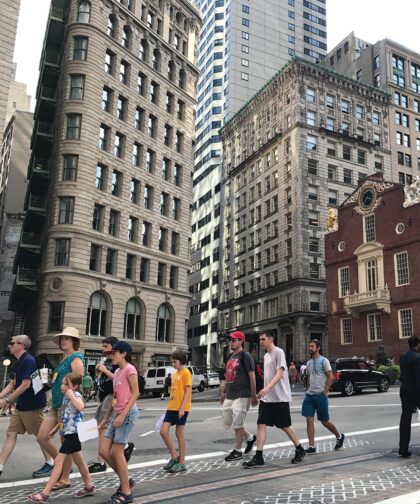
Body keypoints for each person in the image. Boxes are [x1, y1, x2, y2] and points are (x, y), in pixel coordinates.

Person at [28, 373, 95, 502]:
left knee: (59, 461)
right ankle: (89, 485)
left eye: (66, 384)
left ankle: (45, 494)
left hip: (73, 433)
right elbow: (65, 416)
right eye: (62, 383)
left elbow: (80, 407)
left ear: (75, 386)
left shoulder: (75, 395)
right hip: (67, 432)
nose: (62, 386)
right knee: (79, 460)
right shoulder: (66, 397)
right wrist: (55, 429)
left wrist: (71, 394)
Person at [243, 331, 305, 468]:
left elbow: (280, 372)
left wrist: (268, 388)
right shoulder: (265, 356)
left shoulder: (279, 352)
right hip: (267, 398)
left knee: (284, 425)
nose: (261, 342)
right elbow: (267, 376)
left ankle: (300, 448)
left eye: (263, 339)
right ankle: (259, 457)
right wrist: (262, 392)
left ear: (270, 339)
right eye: (260, 339)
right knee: (260, 424)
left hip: (279, 397)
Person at [33, 327, 84, 485]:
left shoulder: (76, 358)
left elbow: (77, 383)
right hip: (55, 405)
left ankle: (64, 477)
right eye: (62, 339)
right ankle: (63, 468)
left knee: (65, 443)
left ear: (74, 341)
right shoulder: (65, 358)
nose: (63, 341)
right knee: (42, 437)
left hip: (65, 407)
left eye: (67, 339)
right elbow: (59, 381)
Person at [0, 335, 48, 478]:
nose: (9, 345)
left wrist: (7, 400)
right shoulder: (18, 361)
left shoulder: (28, 360)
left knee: (41, 436)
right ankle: (0, 466)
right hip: (22, 405)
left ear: (20, 345)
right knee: (11, 434)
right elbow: (13, 383)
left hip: (32, 405)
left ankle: (53, 462)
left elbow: (26, 384)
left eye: (12, 343)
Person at [98, 341, 139, 504]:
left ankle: (126, 492)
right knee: (103, 450)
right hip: (116, 414)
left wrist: (122, 415)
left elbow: (136, 393)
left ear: (123, 354)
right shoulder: (118, 372)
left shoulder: (130, 369)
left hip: (127, 414)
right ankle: (126, 481)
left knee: (116, 452)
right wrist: (106, 419)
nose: (111, 356)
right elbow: (115, 398)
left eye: (114, 353)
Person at [219, 331, 258, 462]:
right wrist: (223, 392)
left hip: (242, 394)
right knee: (228, 420)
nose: (231, 342)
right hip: (230, 394)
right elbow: (227, 375)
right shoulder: (230, 356)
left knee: (237, 422)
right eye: (231, 340)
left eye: (234, 340)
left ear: (241, 341)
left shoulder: (245, 356)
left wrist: (253, 395)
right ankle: (250, 438)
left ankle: (237, 451)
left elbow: (252, 375)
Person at [301, 339, 345, 454]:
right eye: (309, 346)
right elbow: (310, 377)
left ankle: (339, 436)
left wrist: (325, 392)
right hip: (310, 396)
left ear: (318, 347)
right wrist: (308, 388)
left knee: (324, 421)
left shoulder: (324, 361)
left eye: (312, 346)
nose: (310, 348)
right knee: (309, 419)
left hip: (320, 395)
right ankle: (311, 446)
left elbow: (331, 377)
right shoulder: (309, 363)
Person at [89, 336, 118, 474]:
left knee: (103, 428)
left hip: (112, 397)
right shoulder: (107, 360)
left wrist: (105, 371)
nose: (103, 349)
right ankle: (104, 457)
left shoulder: (117, 361)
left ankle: (102, 461)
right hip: (105, 397)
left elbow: (119, 380)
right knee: (101, 426)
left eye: (106, 346)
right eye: (103, 346)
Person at [160, 351, 192, 473]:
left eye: (175, 362)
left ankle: (182, 462)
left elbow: (188, 391)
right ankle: (174, 456)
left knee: (179, 434)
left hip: (181, 408)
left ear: (181, 361)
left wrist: (182, 408)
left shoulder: (186, 372)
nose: (173, 364)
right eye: (172, 362)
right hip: (171, 407)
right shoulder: (174, 374)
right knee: (163, 431)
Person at [399, 335, 420, 457]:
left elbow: (402, 376)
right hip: (415, 390)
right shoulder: (417, 358)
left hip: (404, 389)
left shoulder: (402, 357)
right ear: (417, 345)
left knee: (405, 419)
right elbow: (418, 379)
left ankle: (403, 448)